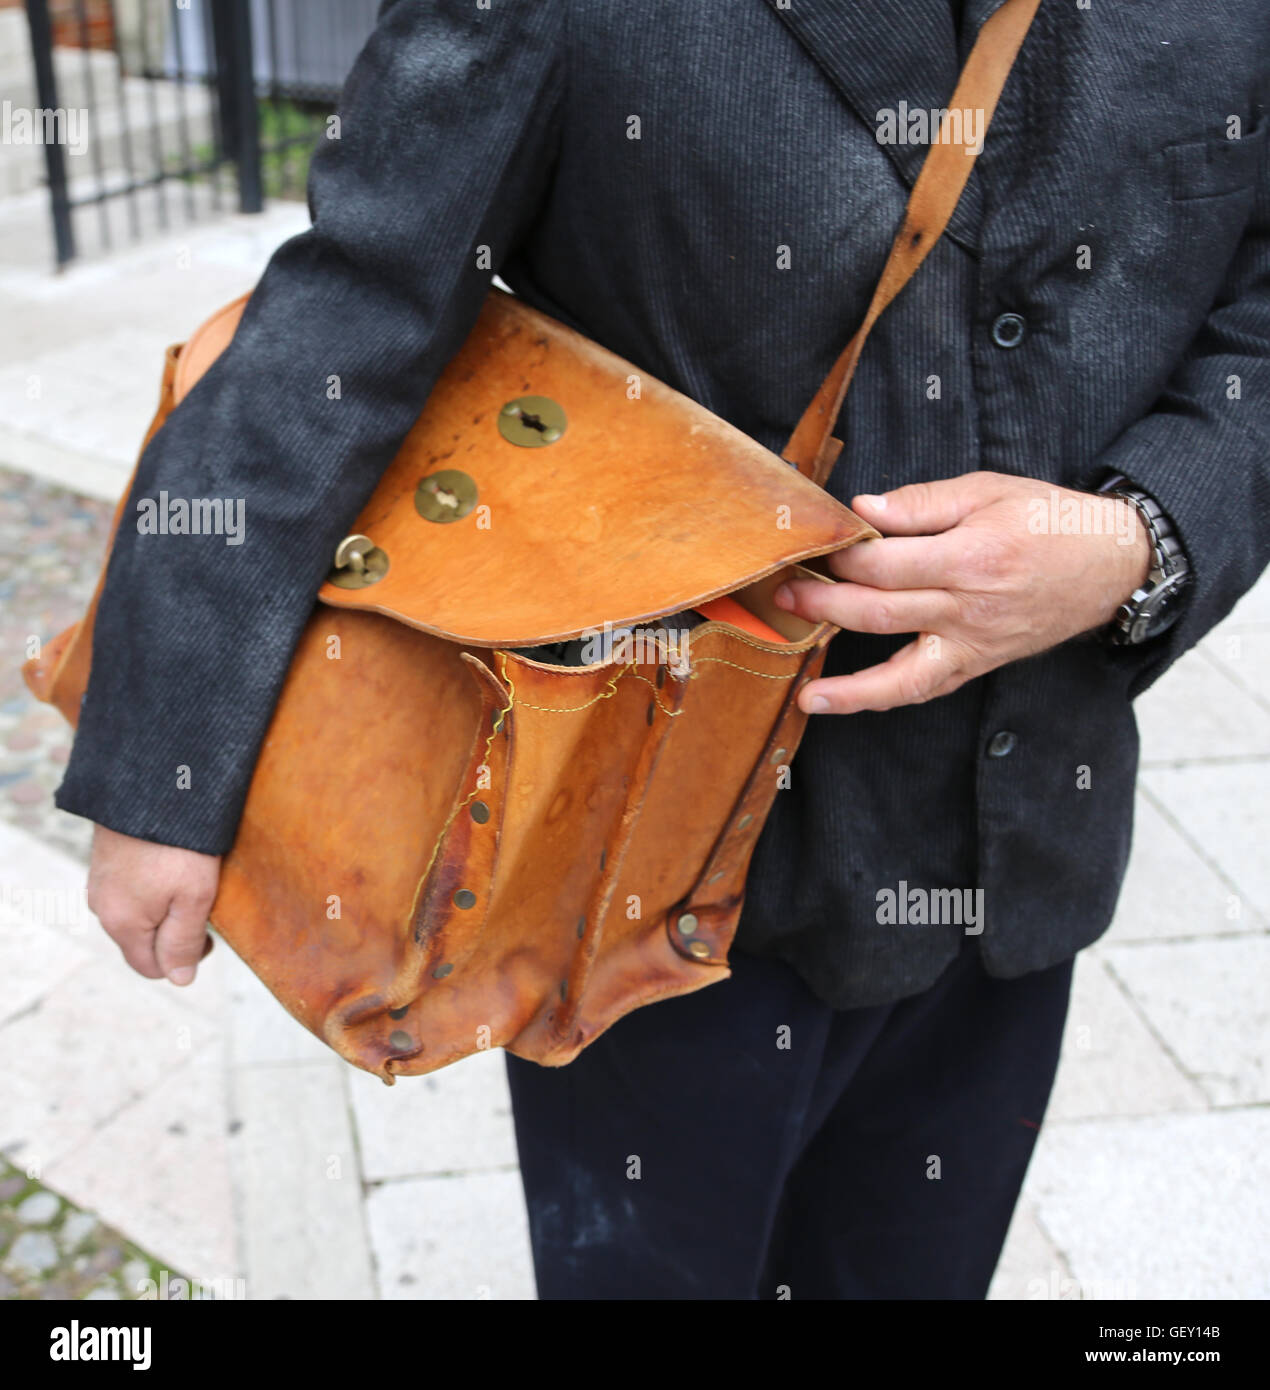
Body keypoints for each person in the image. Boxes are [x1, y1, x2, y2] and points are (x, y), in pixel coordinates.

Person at [62, 0, 1268, 1298]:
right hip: (642, 867)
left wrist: (1141, 537)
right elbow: (350, 313)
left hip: (1018, 846)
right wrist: (165, 770)